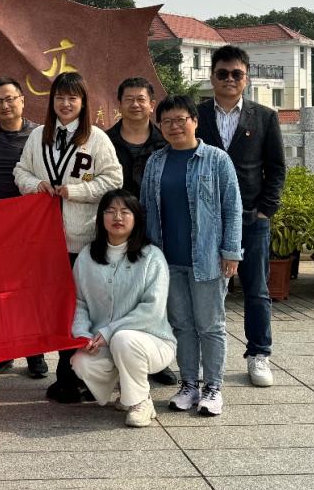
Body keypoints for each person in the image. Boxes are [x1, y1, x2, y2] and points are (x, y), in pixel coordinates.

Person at [14, 71, 123, 403]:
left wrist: (75, 191)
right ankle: (67, 373)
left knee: (83, 309)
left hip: (83, 240)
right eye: (59, 97)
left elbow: (113, 179)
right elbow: (20, 170)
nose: (65, 104)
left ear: (83, 102)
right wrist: (36, 185)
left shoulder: (97, 138)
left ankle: (78, 376)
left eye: (72, 98)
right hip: (46, 241)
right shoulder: (38, 136)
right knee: (58, 309)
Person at [141, 95, 242, 416]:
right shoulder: (155, 162)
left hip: (207, 259)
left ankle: (213, 388)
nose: (174, 126)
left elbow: (233, 209)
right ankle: (188, 385)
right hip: (167, 260)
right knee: (182, 326)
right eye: (167, 121)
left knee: (210, 326)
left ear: (195, 121)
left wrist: (231, 252)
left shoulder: (217, 159)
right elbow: (146, 209)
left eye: (180, 119)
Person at [195, 45, 286, 388]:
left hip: (251, 218)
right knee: (205, 289)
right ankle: (202, 356)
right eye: (223, 73)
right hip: (205, 218)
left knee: (256, 289)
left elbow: (276, 169)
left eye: (237, 74)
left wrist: (265, 211)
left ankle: (259, 353)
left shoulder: (264, 117)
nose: (229, 79)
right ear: (212, 77)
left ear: (247, 78)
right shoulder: (196, 116)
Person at [71, 190, 176, 428]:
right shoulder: (87, 256)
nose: (117, 217)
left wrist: (110, 331)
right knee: (80, 361)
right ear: (101, 217)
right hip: (107, 344)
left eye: (125, 212)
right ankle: (128, 390)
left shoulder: (152, 257)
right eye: (110, 211)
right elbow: (79, 302)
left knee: (123, 338)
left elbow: (153, 309)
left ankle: (140, 401)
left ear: (136, 218)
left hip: (152, 341)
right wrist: (83, 334)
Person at [0, 77, 46, 379]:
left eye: (10, 98)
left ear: (22, 101)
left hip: (29, 226)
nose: (5, 105)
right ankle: (1, 352)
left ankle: (35, 353)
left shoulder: (39, 135)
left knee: (30, 291)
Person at [105, 77, 176, 387]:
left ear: (151, 105)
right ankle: (117, 356)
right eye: (128, 99)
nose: (135, 104)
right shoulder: (104, 141)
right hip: (116, 230)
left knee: (157, 294)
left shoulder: (166, 142)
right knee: (120, 294)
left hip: (156, 228)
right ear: (119, 104)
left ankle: (156, 358)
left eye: (141, 99)